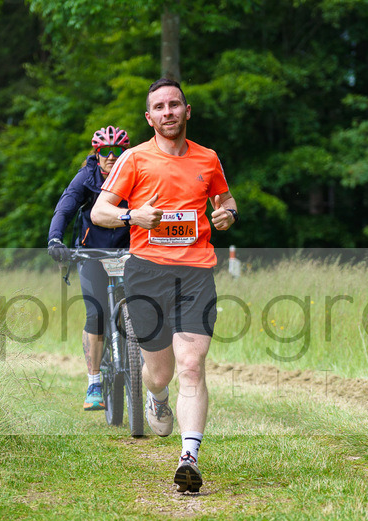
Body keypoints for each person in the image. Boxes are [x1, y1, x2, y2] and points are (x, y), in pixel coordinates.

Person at [90, 78, 237, 493]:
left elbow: (226, 203)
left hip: (195, 272)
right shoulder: (134, 159)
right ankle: (157, 397)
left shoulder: (208, 159)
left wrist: (228, 216)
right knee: (160, 372)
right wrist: (131, 217)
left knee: (191, 365)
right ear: (149, 117)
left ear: (187, 111)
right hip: (146, 271)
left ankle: (189, 455)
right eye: (160, 107)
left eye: (175, 105)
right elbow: (101, 211)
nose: (168, 112)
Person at [47, 125, 131, 410]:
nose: (111, 157)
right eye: (104, 151)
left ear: (124, 153)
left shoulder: (136, 173)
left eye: (117, 151)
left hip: (128, 251)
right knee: (96, 314)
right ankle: (94, 380)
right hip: (91, 253)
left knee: (145, 307)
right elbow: (65, 208)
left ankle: (146, 372)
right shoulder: (87, 177)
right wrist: (55, 239)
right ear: (96, 153)